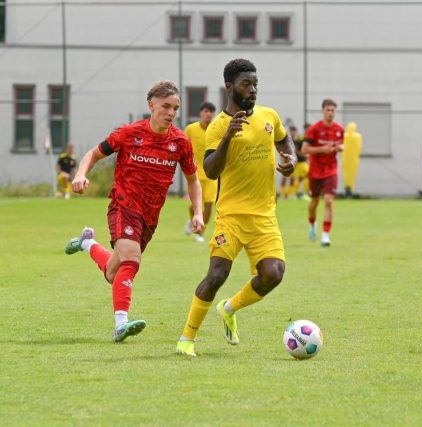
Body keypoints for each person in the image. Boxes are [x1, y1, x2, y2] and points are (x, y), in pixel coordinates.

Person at [64, 80, 204, 343]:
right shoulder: (129, 133)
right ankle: (121, 324)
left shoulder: (181, 142)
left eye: (175, 108)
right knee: (132, 258)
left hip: (150, 216)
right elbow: (93, 154)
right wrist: (81, 174)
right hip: (123, 205)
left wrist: (197, 213)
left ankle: (88, 243)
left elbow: (193, 180)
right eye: (166, 106)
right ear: (151, 105)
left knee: (113, 273)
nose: (171, 113)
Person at [176, 58, 296, 357]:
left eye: (255, 84)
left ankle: (229, 308)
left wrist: (290, 158)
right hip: (231, 216)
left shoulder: (269, 115)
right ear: (229, 87)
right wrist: (229, 135)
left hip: (265, 216)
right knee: (216, 275)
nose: (253, 90)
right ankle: (187, 339)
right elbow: (211, 170)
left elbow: (283, 138)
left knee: (274, 273)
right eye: (246, 84)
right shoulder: (217, 127)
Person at [302, 99, 344, 247]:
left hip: (331, 170)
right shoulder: (314, 129)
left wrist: (340, 148)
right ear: (323, 111)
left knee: (329, 201)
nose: (330, 113)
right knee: (314, 203)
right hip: (315, 172)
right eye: (328, 110)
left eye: (333, 110)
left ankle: (325, 235)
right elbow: (304, 149)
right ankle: (312, 224)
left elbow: (341, 145)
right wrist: (322, 149)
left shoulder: (339, 129)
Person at [184, 101, 217, 243]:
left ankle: (200, 232)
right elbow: (184, 148)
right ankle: (192, 220)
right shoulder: (191, 129)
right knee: (194, 205)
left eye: (211, 111)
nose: (208, 114)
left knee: (209, 204)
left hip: (212, 174)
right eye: (205, 111)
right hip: (195, 174)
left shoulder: (217, 129)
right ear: (201, 113)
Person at [287, 125, 310, 200]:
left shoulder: (309, 138)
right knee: (295, 178)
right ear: (305, 129)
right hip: (299, 162)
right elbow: (296, 150)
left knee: (303, 178)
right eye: (307, 129)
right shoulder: (300, 138)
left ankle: (301, 194)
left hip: (304, 162)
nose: (308, 130)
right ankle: (293, 194)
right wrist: (304, 155)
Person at [342, 121, 362, 198]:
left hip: (345, 159)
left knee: (346, 175)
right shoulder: (358, 136)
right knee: (352, 175)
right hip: (354, 159)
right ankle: (350, 190)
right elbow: (359, 146)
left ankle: (347, 190)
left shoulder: (344, 136)